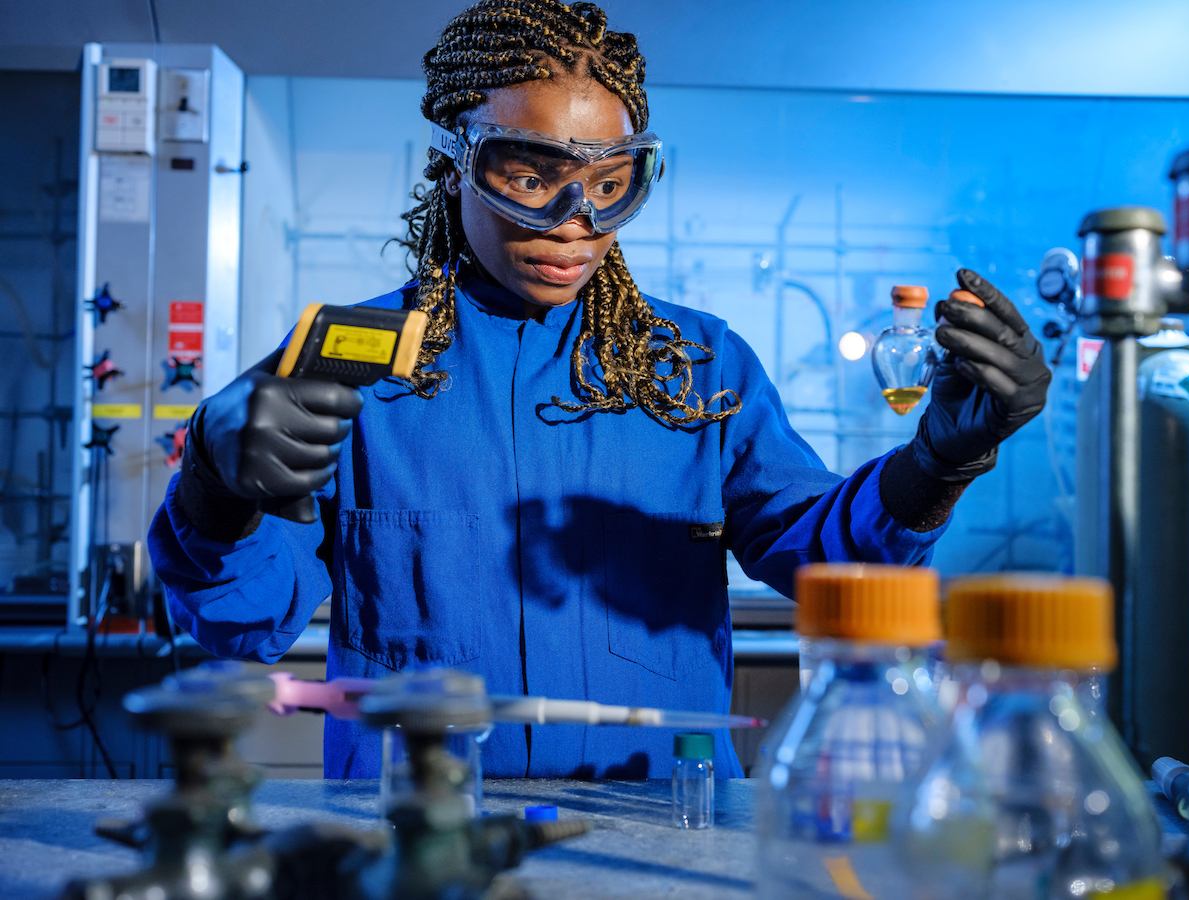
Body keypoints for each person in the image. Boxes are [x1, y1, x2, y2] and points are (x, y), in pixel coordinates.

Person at [148, 0, 1050, 780]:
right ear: (455, 159)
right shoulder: (354, 366)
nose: (574, 221)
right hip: (421, 837)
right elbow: (243, 627)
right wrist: (216, 494)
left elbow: (827, 570)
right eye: (530, 175)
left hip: (662, 833)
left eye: (609, 184)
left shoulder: (697, 367)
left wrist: (938, 464)